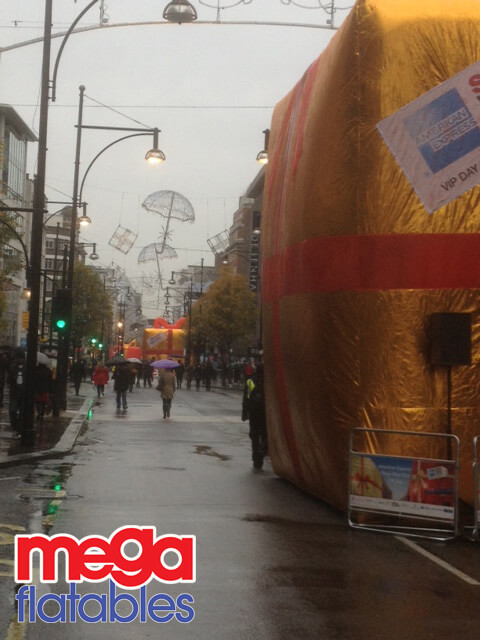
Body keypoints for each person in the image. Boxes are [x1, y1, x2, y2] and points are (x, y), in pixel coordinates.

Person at [242, 363, 268, 470]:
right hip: (264, 411)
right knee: (265, 434)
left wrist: (244, 413)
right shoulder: (268, 382)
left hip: (253, 412)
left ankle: (256, 458)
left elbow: (246, 398)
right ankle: (262, 450)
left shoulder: (250, 381)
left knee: (254, 435)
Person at [7, 348, 25, 434]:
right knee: (12, 410)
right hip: (14, 392)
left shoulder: (27, 368)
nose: (18, 360)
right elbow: (9, 380)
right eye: (17, 358)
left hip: (24, 393)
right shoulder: (12, 367)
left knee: (22, 413)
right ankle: (14, 425)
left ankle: (20, 428)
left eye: (20, 358)